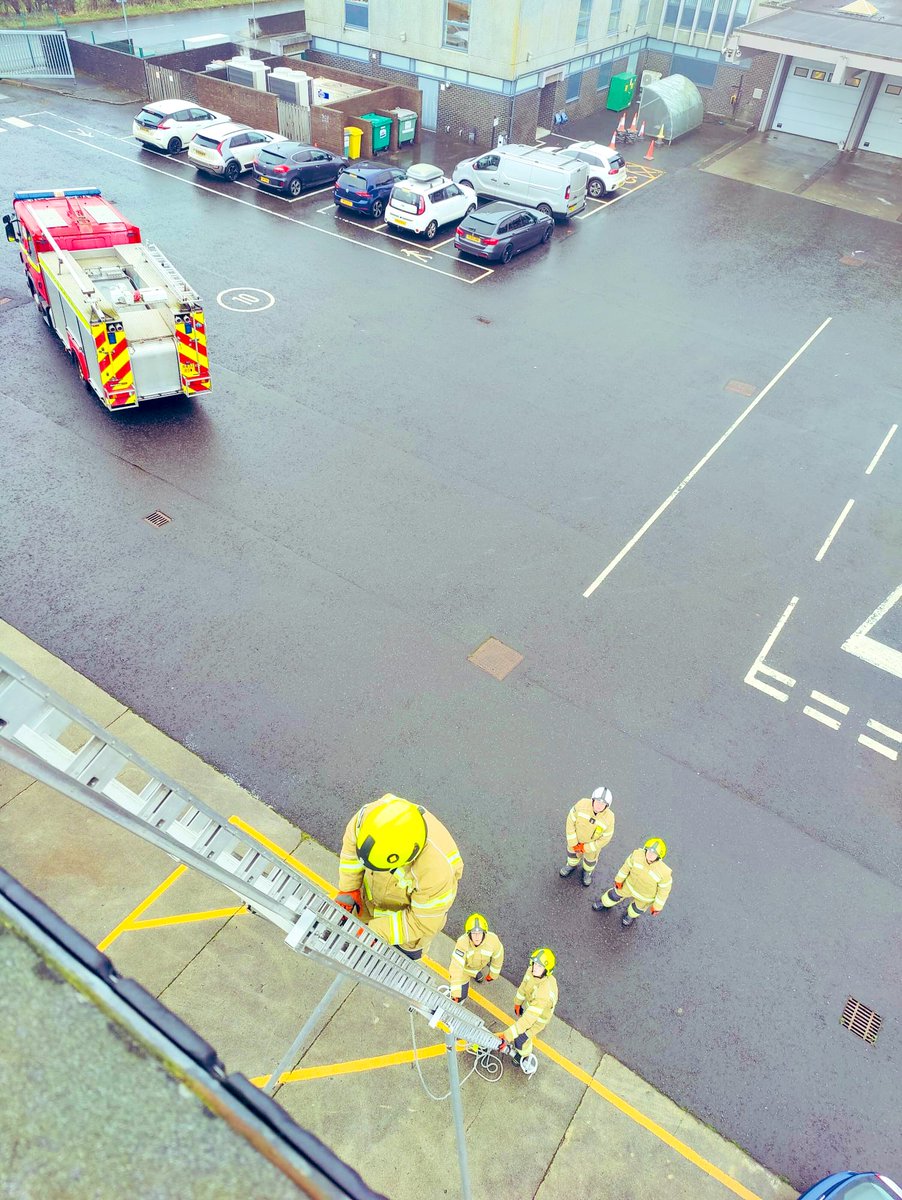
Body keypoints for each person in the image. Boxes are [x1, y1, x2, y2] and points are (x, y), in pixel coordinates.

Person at [335, 794, 463, 959]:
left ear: (406, 859)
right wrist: (349, 888)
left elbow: (422, 922)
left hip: (409, 933)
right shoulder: (370, 817)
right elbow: (351, 852)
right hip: (369, 903)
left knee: (398, 962)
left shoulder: (437, 872)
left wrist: (375, 931)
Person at [592, 837, 672, 928]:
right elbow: (626, 868)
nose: (650, 855)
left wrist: (657, 907)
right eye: (649, 851)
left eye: (654, 854)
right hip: (628, 885)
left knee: (636, 909)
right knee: (614, 895)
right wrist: (619, 880)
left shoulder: (664, 873)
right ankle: (604, 903)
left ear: (659, 856)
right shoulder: (636, 855)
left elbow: (664, 892)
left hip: (644, 897)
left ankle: (630, 916)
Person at [498, 947, 558, 1062]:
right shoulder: (531, 971)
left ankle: (523, 1056)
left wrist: (507, 1036)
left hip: (539, 1020)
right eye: (535, 964)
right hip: (532, 1007)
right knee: (521, 1031)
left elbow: (528, 1020)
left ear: (546, 971)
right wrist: (518, 1003)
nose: (535, 968)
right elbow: (523, 988)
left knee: (521, 1040)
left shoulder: (543, 994)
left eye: (540, 967)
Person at [560, 786, 615, 887]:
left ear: (607, 806)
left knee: (590, 862)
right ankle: (571, 865)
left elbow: (605, 838)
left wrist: (585, 848)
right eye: (597, 802)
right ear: (592, 799)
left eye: (603, 804)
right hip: (575, 842)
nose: (599, 806)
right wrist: (573, 843)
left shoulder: (610, 818)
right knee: (572, 855)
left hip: (592, 848)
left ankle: (587, 872)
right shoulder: (581, 804)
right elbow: (570, 821)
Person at [449, 912, 504, 1003]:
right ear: (469, 934)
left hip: (478, 966)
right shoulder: (462, 943)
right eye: (474, 933)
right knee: (461, 996)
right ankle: (473, 975)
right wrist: (456, 992)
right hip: (464, 971)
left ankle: (476, 973)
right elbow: (456, 967)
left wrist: (493, 974)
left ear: (484, 932)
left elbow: (498, 956)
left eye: (480, 933)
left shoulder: (493, 940)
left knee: (476, 969)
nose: (477, 937)